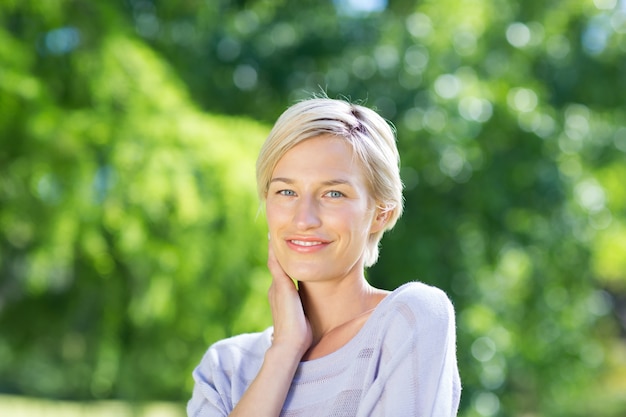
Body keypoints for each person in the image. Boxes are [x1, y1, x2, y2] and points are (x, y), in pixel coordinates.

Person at [187, 97, 461, 416]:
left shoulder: (410, 317)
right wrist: (285, 350)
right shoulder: (225, 367)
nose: (303, 219)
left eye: (334, 194)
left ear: (380, 214)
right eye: (286, 192)